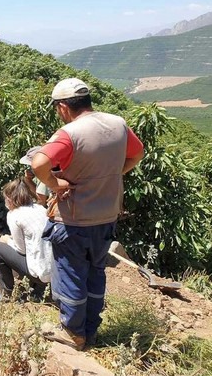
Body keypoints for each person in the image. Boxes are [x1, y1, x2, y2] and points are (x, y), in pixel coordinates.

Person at [32, 78, 144, 350]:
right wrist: (112, 174)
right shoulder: (117, 124)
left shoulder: (70, 133)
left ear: (62, 107)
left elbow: (38, 163)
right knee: (96, 273)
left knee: (71, 274)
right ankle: (91, 330)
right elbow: (137, 154)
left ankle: (73, 333)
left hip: (74, 220)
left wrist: (55, 184)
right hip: (106, 217)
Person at [0, 179, 52, 302]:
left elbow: (21, 250)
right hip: (54, 271)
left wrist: (7, 240)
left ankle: (7, 294)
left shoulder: (14, 214)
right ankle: (38, 289)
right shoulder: (40, 208)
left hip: (40, 273)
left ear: (10, 199)